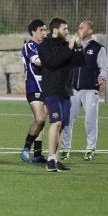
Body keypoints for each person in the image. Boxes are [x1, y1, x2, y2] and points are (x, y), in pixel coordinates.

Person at [38, 17, 85, 172]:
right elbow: (52, 62)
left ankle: (56, 161)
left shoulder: (67, 46)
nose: (67, 31)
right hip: (51, 90)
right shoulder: (44, 45)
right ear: (55, 30)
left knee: (63, 126)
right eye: (65, 29)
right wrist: (70, 48)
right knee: (56, 122)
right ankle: (50, 159)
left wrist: (78, 47)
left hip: (66, 90)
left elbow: (80, 62)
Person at [59, 20, 108, 161]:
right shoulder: (73, 45)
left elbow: (105, 68)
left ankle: (90, 149)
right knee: (67, 119)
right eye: (79, 27)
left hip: (90, 90)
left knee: (90, 120)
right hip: (73, 89)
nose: (79, 29)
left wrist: (101, 77)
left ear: (90, 31)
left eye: (82, 27)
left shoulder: (98, 48)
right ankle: (65, 149)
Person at [19, 19, 48, 163]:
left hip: (48, 86)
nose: (44, 33)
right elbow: (39, 62)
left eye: (45, 30)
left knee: (42, 121)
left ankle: (37, 153)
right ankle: (26, 147)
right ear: (33, 32)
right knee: (40, 118)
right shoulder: (29, 46)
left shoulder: (46, 46)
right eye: (41, 30)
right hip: (34, 85)